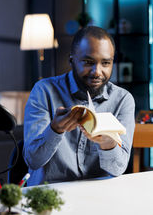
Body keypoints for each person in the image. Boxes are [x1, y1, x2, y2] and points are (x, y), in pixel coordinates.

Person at [23, 26, 135, 186]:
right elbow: (33, 161)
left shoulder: (123, 99)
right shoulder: (44, 91)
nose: (97, 71)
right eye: (88, 62)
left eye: (105, 63)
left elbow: (118, 168)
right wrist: (55, 130)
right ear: (71, 60)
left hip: (98, 196)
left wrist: (108, 144)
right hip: (49, 197)